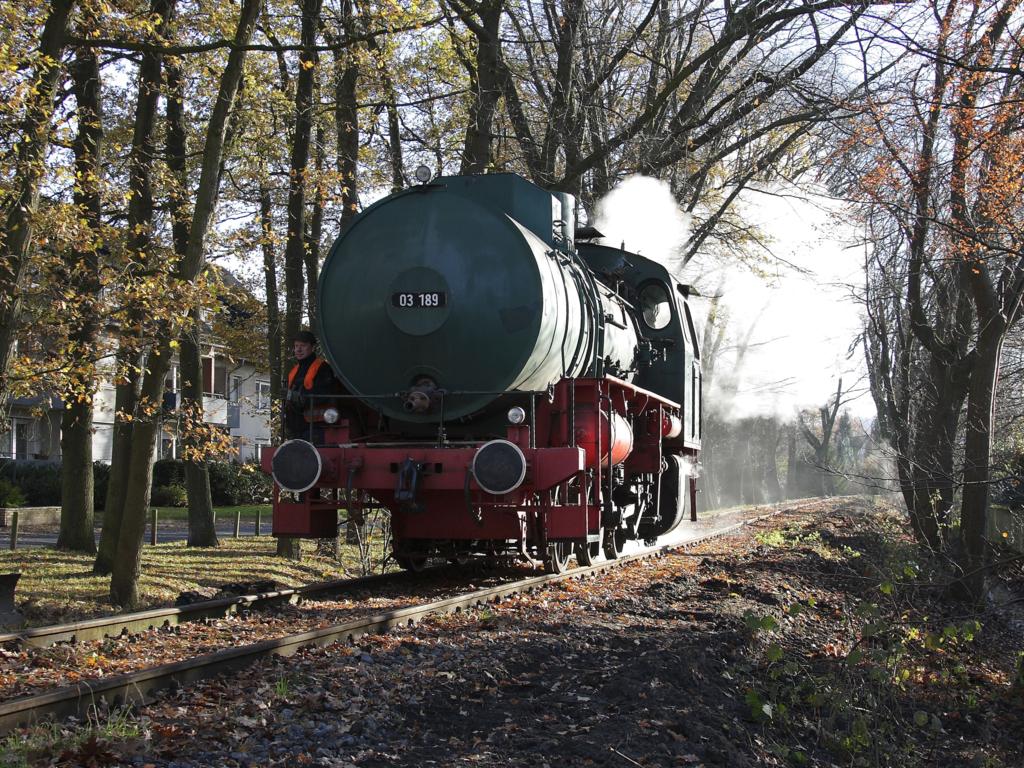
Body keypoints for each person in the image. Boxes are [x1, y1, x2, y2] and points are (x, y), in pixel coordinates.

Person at [284, 330, 341, 441]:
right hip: (296, 428)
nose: (298, 349)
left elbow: (325, 394)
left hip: (317, 428)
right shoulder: (293, 371)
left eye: (303, 346)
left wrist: (301, 397)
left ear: (312, 347)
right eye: (296, 346)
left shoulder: (323, 368)